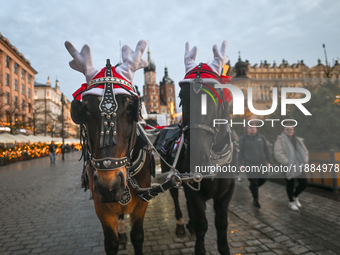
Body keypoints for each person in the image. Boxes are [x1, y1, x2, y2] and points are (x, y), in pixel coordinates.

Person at [274, 127, 309, 211]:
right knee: (290, 184)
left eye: (291, 129)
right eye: (287, 129)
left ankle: (295, 196)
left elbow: (305, 151)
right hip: (287, 166)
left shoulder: (298, 140)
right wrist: (288, 163)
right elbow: (278, 154)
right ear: (283, 130)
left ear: (293, 131)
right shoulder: (280, 141)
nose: (289, 131)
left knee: (304, 183)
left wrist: (305, 160)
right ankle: (291, 202)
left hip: (299, 165)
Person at [238, 126, 272, 208]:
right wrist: (240, 164)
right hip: (249, 164)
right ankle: (255, 199)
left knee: (264, 178)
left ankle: (253, 187)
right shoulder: (243, 139)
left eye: (254, 127)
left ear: (256, 128)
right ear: (246, 129)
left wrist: (269, 161)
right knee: (254, 181)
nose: (252, 129)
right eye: (250, 127)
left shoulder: (261, 137)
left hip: (261, 163)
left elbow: (266, 149)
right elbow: (240, 152)